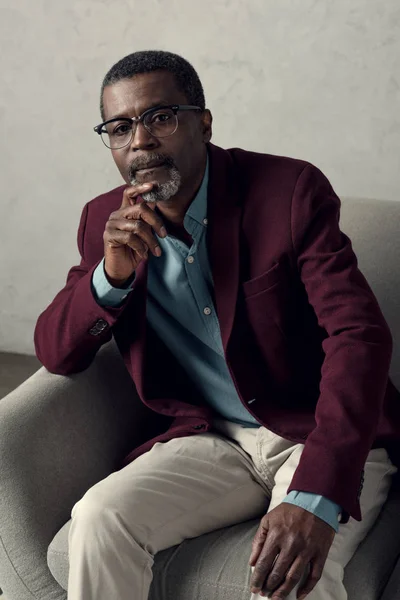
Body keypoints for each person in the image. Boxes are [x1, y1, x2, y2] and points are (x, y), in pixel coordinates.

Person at [34, 50, 400, 600]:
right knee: (98, 518)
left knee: (293, 579)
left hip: (313, 431)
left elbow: (359, 337)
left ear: (204, 123)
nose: (140, 140)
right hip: (212, 439)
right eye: (119, 127)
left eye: (160, 117)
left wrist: (315, 495)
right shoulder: (103, 221)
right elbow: (57, 352)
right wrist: (109, 276)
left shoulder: (290, 192)